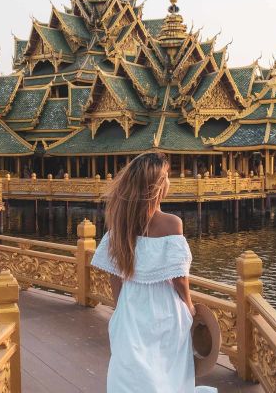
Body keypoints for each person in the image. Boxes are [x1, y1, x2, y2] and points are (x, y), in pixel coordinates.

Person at [91, 152, 217, 393]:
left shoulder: (120, 226)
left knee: (131, 370)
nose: (169, 181)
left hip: (131, 304)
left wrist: (120, 310)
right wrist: (190, 307)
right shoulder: (171, 223)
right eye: (167, 176)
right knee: (167, 369)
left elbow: (115, 275)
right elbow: (180, 279)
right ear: (158, 185)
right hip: (165, 306)